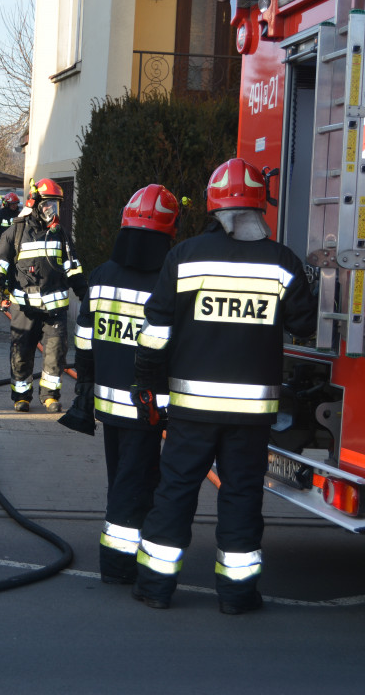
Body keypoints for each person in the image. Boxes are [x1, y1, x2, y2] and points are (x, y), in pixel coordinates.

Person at [130, 158, 317, 614]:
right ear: (259, 206)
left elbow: (155, 333)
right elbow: (304, 325)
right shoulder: (282, 262)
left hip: (192, 408)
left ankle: (155, 587)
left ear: (213, 207)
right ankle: (236, 596)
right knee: (241, 496)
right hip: (251, 414)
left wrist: (147, 387)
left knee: (175, 491)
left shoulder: (185, 256)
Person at [60, 185, 180, 585]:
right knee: (136, 483)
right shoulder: (167, 283)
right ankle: (118, 565)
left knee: (123, 479)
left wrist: (85, 387)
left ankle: (126, 551)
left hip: (107, 403)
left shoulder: (101, 275)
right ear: (168, 232)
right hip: (146, 406)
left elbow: (84, 340)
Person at [0, 178, 88, 414]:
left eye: (55, 204)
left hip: (54, 311)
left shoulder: (60, 234)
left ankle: (50, 397)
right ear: (35, 204)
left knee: (55, 355)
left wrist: (85, 295)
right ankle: (22, 397)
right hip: (24, 308)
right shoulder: (16, 230)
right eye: (47, 204)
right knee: (21, 354)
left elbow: (73, 267)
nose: (51, 209)